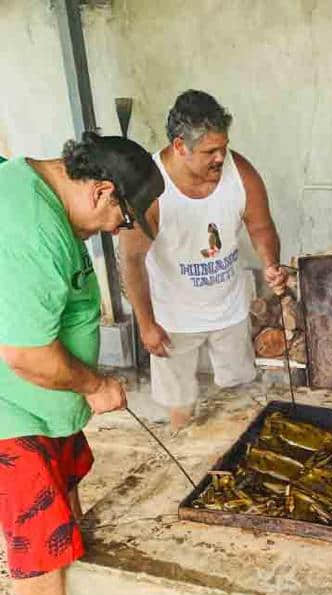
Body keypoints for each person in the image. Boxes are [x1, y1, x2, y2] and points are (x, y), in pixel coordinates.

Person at [0, 132, 164, 595]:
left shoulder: (40, 193)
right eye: (122, 221)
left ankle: (73, 561)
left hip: (45, 400)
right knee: (36, 524)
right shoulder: (29, 231)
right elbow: (26, 355)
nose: (118, 230)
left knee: (66, 480)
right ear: (101, 192)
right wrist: (94, 383)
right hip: (11, 406)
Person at [120, 89, 289, 433]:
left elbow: (261, 226)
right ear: (180, 146)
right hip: (172, 317)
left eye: (223, 147)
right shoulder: (148, 188)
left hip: (229, 307)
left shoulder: (239, 172)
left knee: (239, 395)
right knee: (180, 406)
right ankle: (185, 440)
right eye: (210, 151)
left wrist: (270, 262)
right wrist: (145, 323)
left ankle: (237, 441)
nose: (220, 157)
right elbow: (131, 262)